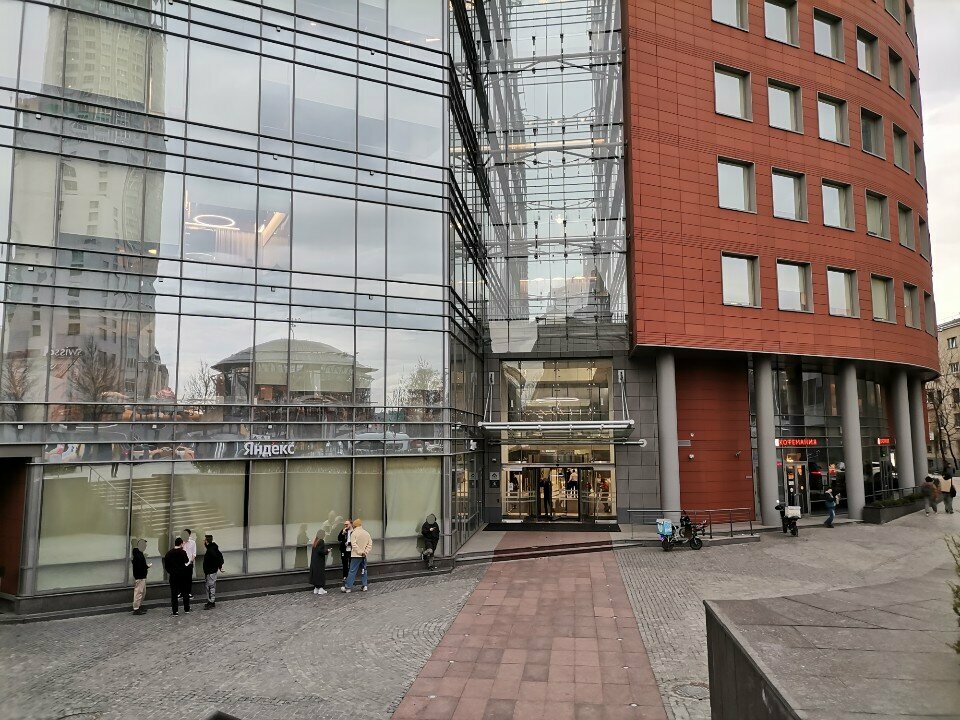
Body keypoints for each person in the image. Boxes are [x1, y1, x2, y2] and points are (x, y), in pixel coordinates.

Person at [341, 518, 372, 593]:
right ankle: (364, 585)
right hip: (364, 555)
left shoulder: (354, 533)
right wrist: (365, 552)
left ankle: (348, 587)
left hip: (356, 555)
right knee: (363, 570)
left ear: (354, 525)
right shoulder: (366, 533)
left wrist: (359, 552)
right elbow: (370, 544)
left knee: (352, 571)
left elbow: (354, 545)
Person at [163, 537, 191, 615]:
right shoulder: (183, 552)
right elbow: (186, 561)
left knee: (174, 594)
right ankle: (186, 609)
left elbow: (166, 566)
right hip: (183, 575)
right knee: (185, 592)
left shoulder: (169, 553)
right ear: (181, 544)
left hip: (173, 576)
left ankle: (175, 611)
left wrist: (171, 572)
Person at [202, 534, 224, 609]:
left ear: (207, 541)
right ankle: (210, 601)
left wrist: (219, 566)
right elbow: (220, 557)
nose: (203, 542)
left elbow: (217, 558)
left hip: (210, 571)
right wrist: (220, 567)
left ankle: (211, 602)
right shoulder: (213, 548)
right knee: (211, 586)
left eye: (204, 540)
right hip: (211, 571)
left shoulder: (211, 550)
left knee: (210, 587)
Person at [131, 538, 152, 615]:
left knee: (142, 592)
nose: (145, 547)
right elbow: (140, 566)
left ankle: (138, 606)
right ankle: (136, 608)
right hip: (140, 576)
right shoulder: (138, 555)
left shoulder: (138, 554)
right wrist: (147, 566)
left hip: (141, 576)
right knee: (139, 593)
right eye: (145, 545)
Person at [310, 529, 330, 595]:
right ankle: (321, 589)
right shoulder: (321, 541)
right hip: (319, 561)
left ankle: (316, 588)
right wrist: (327, 551)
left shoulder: (315, 541)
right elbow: (320, 551)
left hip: (314, 561)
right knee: (320, 574)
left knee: (316, 574)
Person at [182, 528, 197, 598]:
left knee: (188, 579)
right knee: (181, 578)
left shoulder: (192, 542)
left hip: (189, 563)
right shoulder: (181, 542)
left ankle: (188, 592)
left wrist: (191, 561)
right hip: (181, 564)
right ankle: (181, 593)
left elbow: (194, 554)